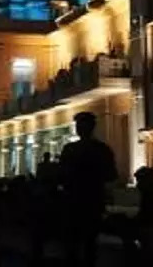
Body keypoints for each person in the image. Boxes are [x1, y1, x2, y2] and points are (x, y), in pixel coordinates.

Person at [59, 111, 118, 267]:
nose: (79, 129)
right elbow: (111, 175)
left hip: (76, 201)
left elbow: (60, 174)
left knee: (74, 243)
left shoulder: (70, 149)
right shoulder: (102, 149)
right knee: (88, 243)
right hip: (91, 201)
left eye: (80, 125)